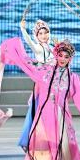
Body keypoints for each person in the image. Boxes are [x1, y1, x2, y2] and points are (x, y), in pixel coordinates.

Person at [18, 18, 54, 151]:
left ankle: (45, 140)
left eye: (46, 32)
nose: (44, 36)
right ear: (36, 36)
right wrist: (23, 29)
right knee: (37, 111)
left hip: (50, 84)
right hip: (42, 85)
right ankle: (29, 140)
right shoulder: (38, 48)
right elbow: (29, 43)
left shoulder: (51, 47)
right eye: (40, 33)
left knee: (47, 112)